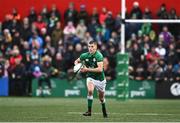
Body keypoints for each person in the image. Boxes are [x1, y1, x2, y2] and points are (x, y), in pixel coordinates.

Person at [74, 40, 108, 118]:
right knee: (90, 91)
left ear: (96, 47)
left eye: (92, 46)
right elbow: (76, 61)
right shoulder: (84, 55)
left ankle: (103, 108)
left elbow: (100, 69)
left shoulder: (99, 55)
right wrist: (77, 66)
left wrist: (86, 69)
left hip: (100, 79)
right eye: (89, 46)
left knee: (101, 98)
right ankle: (89, 111)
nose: (90, 48)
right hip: (90, 77)